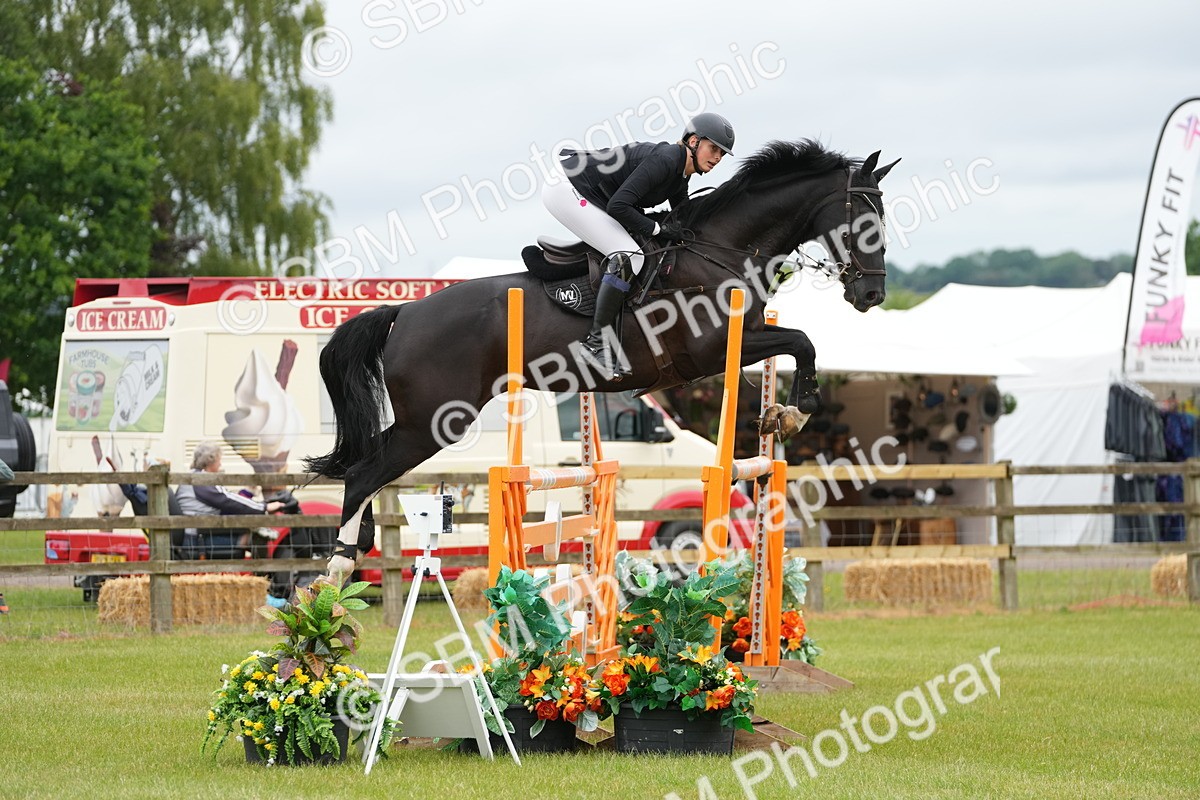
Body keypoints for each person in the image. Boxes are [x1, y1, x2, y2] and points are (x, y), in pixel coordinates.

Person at [541, 112, 736, 377]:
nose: (717, 158)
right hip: (566, 189)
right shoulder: (666, 160)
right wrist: (657, 227)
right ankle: (596, 342)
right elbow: (618, 206)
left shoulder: (680, 174)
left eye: (722, 154)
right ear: (693, 141)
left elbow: (683, 215)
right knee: (631, 255)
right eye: (714, 148)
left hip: (588, 193)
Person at [174, 442, 283, 560]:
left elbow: (224, 502)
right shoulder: (201, 480)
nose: (220, 464)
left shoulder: (194, 477)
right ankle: (263, 574)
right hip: (198, 537)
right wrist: (264, 507)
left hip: (197, 532)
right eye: (219, 460)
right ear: (211, 460)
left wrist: (247, 494)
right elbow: (226, 499)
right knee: (255, 537)